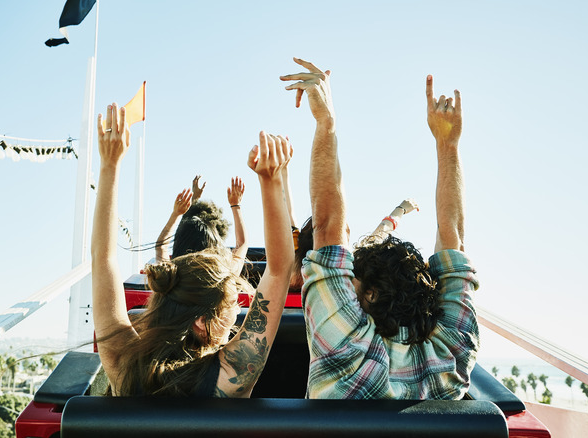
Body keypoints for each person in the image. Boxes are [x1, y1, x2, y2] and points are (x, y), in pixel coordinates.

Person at [281, 58, 479, 399]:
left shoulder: (343, 348)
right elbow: (454, 239)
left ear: (371, 294)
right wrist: (448, 145)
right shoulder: (453, 354)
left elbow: (329, 228)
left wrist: (326, 122)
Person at [91, 102, 294, 397]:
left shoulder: (123, 362)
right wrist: (271, 179)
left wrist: (110, 164)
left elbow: (102, 259)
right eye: (232, 306)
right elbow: (280, 270)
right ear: (202, 322)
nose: (238, 312)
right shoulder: (229, 376)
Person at [289, 199, 419, 294]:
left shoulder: (289, 268)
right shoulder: (351, 267)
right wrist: (401, 209)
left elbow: (288, 216)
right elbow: (380, 233)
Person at [155, 177, 249, 276]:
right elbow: (242, 243)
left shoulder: (170, 277)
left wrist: (176, 214)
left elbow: (161, 246)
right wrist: (235, 205)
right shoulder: (224, 276)